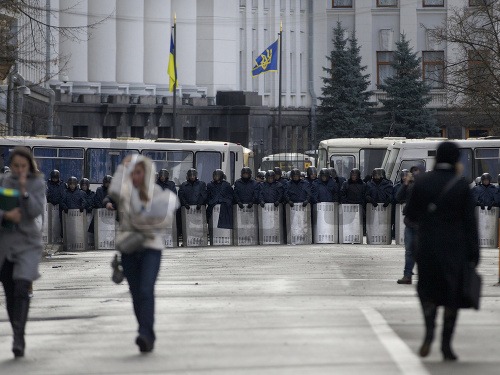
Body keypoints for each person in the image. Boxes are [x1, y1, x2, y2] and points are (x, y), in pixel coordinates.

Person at [405, 141, 479, 361]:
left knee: (427, 288)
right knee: (452, 293)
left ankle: (429, 332)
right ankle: (446, 344)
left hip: (427, 246)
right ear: (456, 159)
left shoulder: (422, 181)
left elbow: (410, 213)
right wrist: (474, 254)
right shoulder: (461, 184)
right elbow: (469, 222)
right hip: (454, 248)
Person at [108, 154, 179, 353]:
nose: (136, 176)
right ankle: (145, 331)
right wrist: (123, 168)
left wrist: (143, 224)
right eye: (133, 173)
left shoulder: (157, 193)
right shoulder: (125, 192)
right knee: (136, 294)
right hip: (129, 248)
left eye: (139, 172)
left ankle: (145, 334)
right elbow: (112, 190)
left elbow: (165, 220)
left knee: (146, 290)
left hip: (151, 248)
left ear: (146, 173)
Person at [0, 146, 45, 358]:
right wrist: (7, 216)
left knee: (21, 287)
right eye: (16, 166)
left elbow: (36, 210)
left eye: (23, 166)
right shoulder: (6, 183)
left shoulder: (37, 183)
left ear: (29, 165)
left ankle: (19, 336)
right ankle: (18, 329)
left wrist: (25, 192)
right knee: (9, 293)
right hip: (6, 243)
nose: (19, 170)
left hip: (28, 243)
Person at [395, 166, 421, 285]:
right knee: (409, 250)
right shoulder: (409, 185)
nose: (414, 174)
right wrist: (405, 183)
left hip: (421, 224)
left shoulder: (424, 185)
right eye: (412, 171)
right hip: (410, 222)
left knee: (422, 251)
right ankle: (407, 275)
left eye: (417, 171)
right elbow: (398, 197)